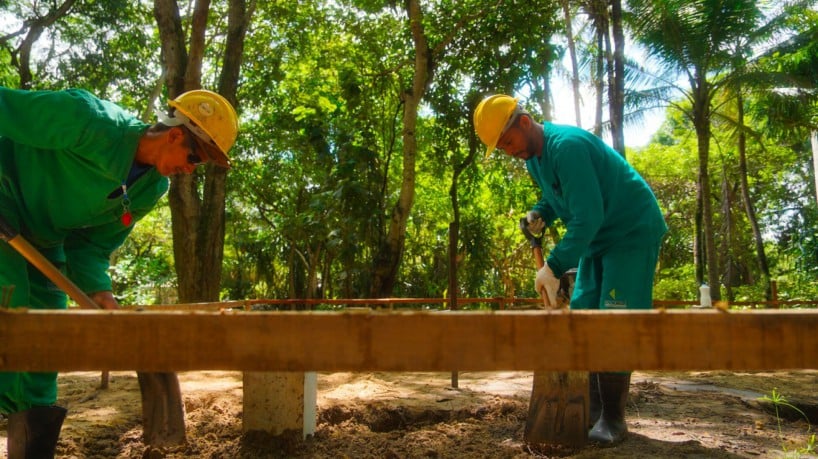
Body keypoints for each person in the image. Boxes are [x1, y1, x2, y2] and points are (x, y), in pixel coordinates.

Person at [0, 86, 238, 457]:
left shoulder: (150, 187)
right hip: (4, 204)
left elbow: (91, 247)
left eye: (200, 164)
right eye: (194, 157)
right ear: (175, 134)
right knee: (10, 311)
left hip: (44, 241)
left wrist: (101, 296)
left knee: (44, 348)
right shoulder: (86, 119)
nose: (191, 169)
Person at [473, 94, 666, 446]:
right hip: (598, 239)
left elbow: (587, 215)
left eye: (508, 142)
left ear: (525, 123)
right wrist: (540, 212)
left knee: (615, 320)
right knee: (583, 314)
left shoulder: (568, 147)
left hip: (629, 230)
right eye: (501, 148)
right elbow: (560, 196)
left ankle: (613, 419)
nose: (508, 151)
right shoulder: (535, 160)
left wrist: (555, 265)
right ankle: (590, 408)